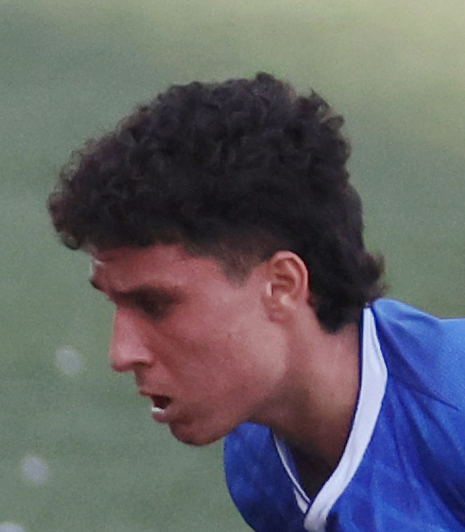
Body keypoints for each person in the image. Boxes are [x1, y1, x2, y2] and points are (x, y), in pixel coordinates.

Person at [48, 72, 465, 531]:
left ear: (282, 285)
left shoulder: (452, 414)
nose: (121, 353)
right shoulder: (257, 462)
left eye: (156, 305)